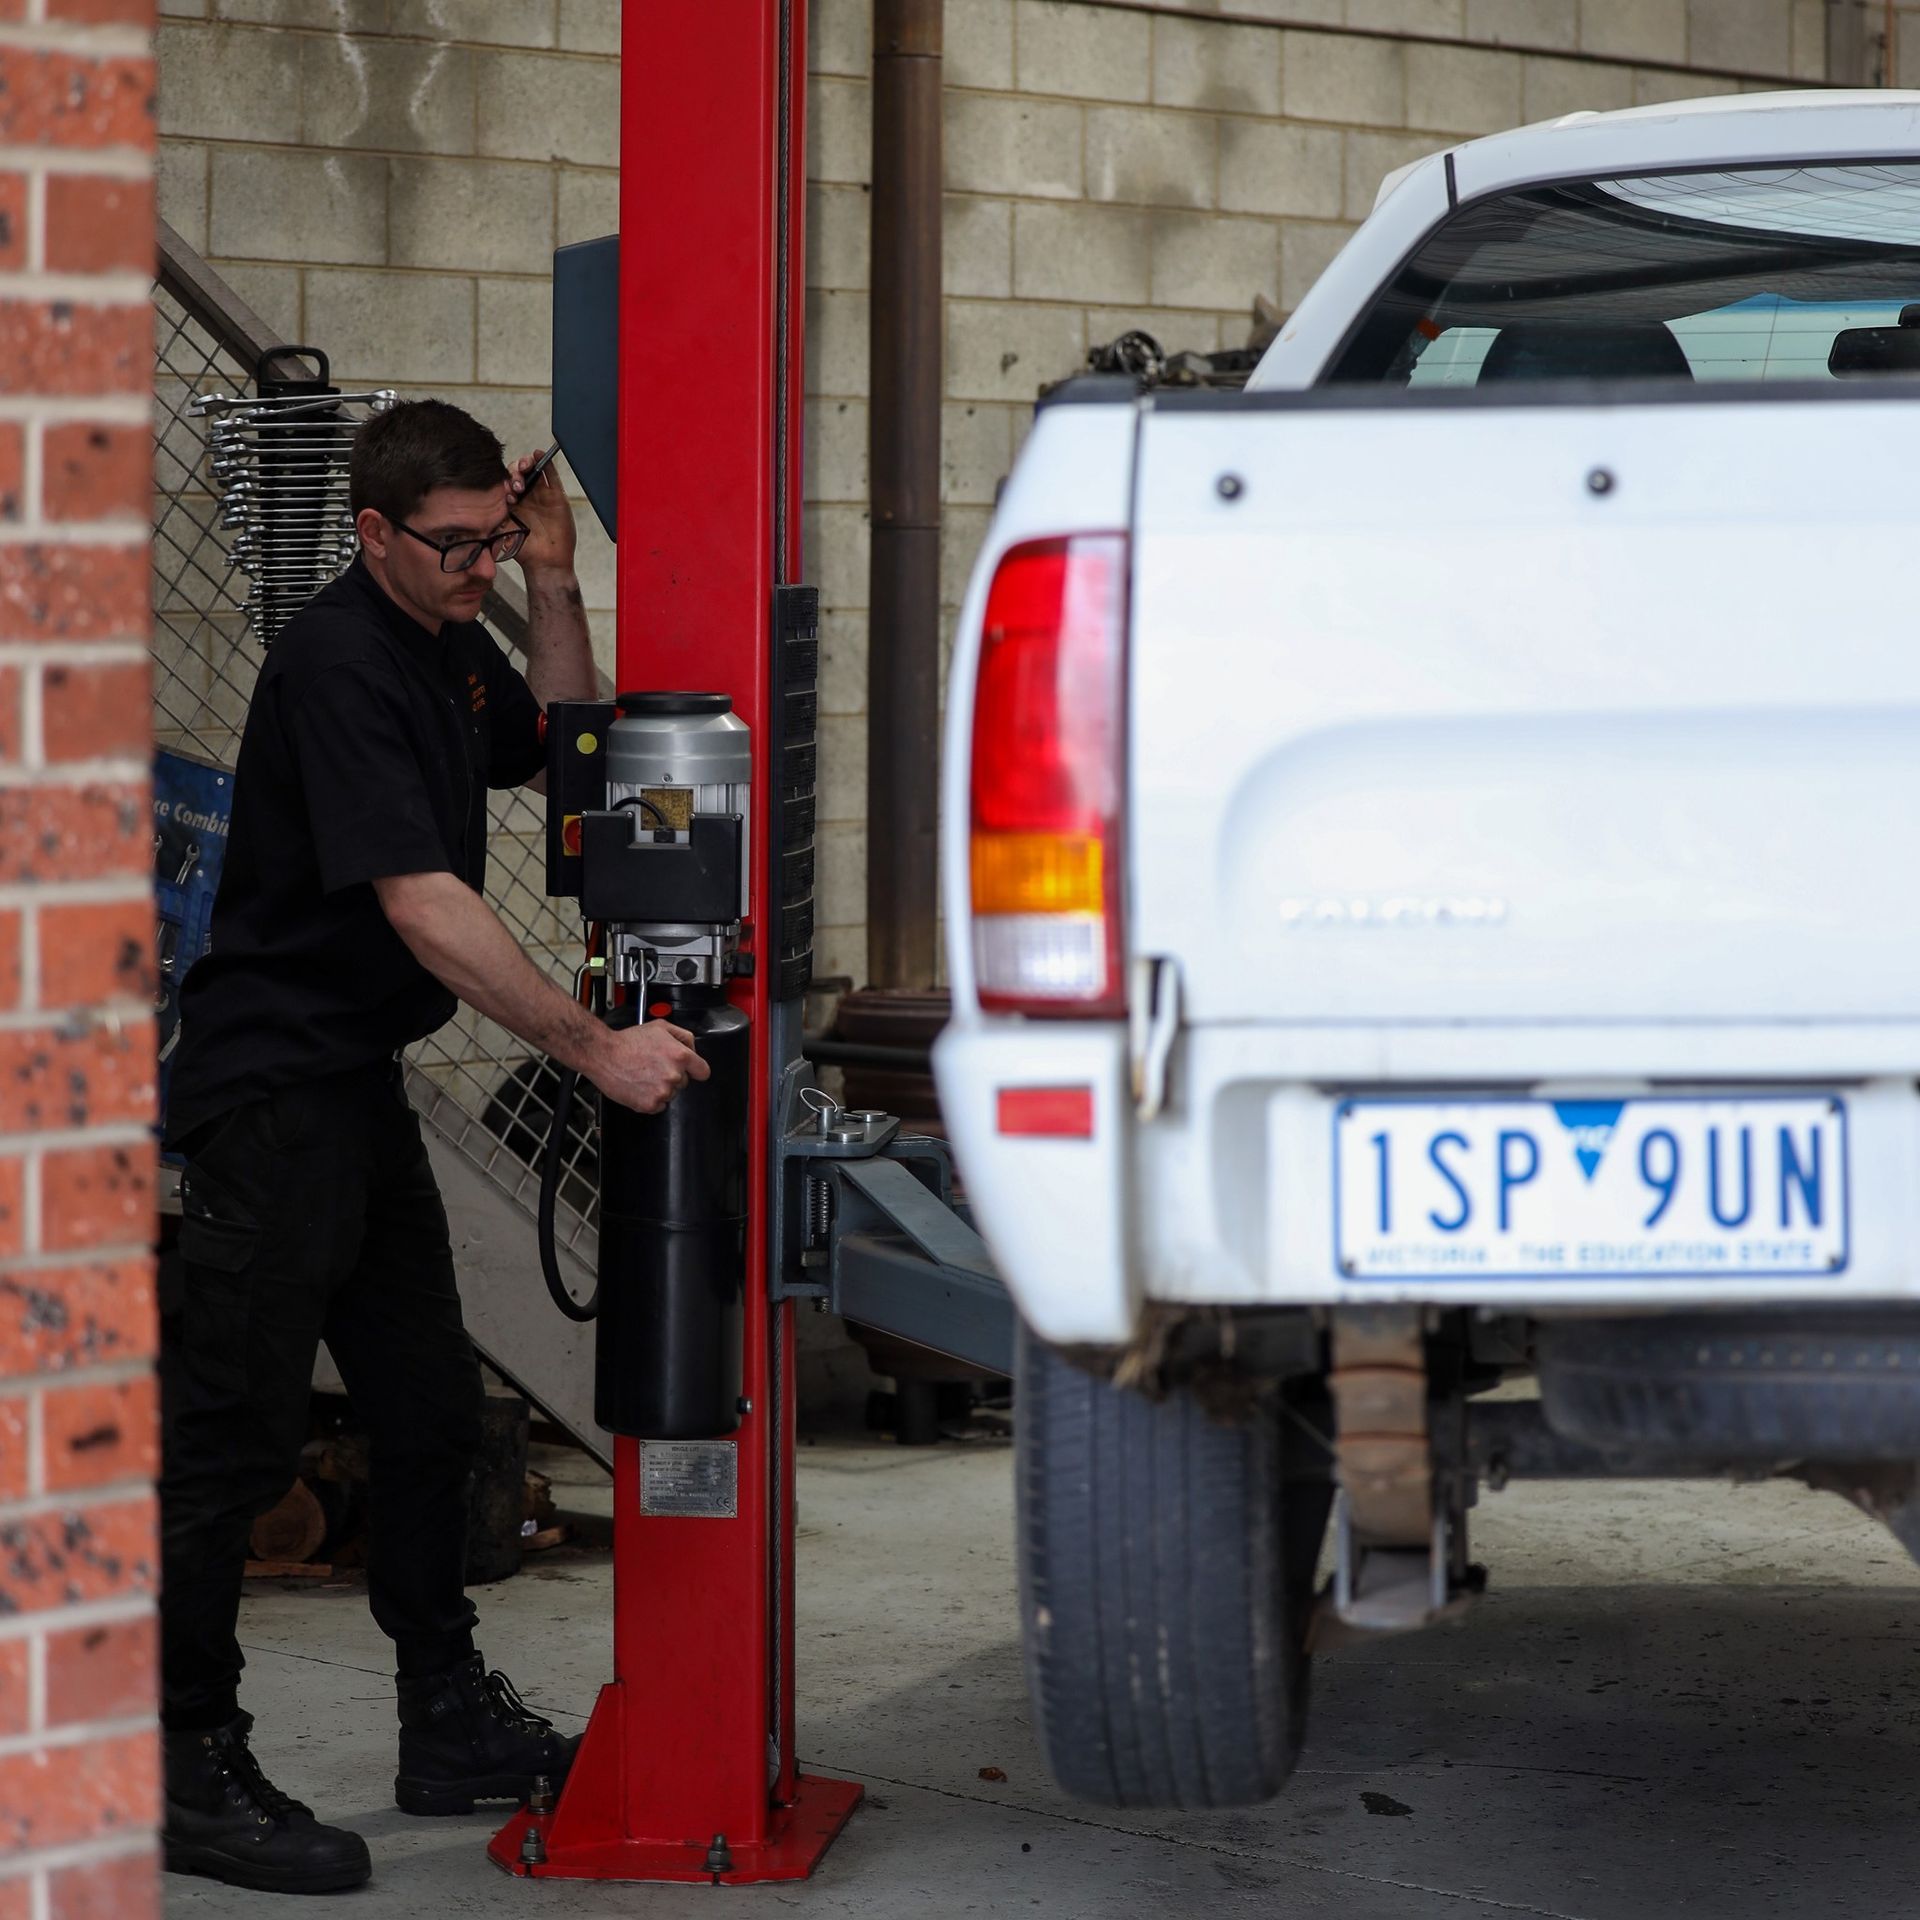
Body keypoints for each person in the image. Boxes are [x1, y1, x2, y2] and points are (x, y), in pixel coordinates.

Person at [157, 400, 706, 1895]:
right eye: (455, 547)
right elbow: (422, 904)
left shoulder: (450, 634)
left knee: (427, 1418)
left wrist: (554, 582)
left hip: (355, 1090)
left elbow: (573, 748)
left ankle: (444, 1718)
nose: (478, 565)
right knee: (234, 1442)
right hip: (273, 1102)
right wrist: (592, 1047)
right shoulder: (338, 660)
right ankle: (179, 1761)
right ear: (375, 534)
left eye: (492, 537)